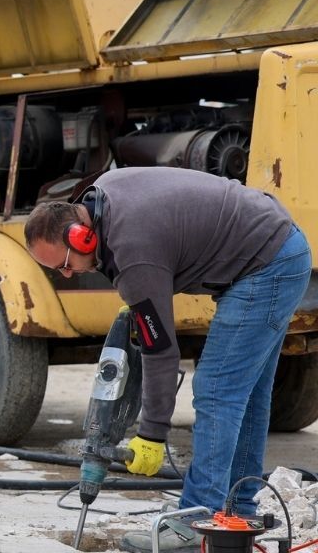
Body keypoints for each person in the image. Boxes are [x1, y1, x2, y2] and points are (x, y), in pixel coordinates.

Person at [24, 167, 310, 552]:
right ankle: (237, 508)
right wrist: (142, 307)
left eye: (65, 264)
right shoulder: (102, 195)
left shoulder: (133, 252)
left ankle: (195, 522)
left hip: (267, 266)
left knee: (216, 389)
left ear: (82, 234)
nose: (69, 274)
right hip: (279, 248)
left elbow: (161, 350)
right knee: (247, 393)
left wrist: (151, 434)